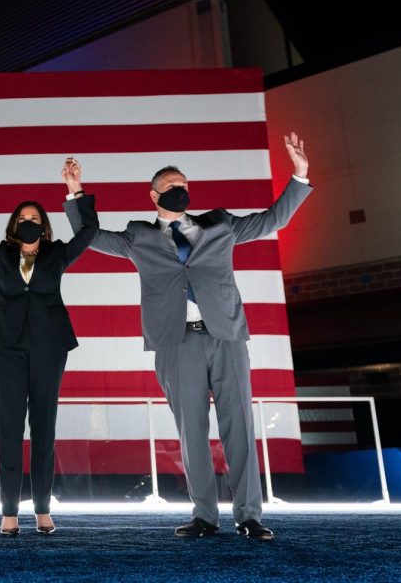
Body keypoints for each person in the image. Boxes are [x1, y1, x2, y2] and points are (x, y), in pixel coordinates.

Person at [64, 134, 311, 540]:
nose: (181, 192)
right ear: (153, 195)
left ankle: (249, 515)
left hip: (226, 337)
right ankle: (205, 516)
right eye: (173, 187)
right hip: (176, 344)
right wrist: (76, 193)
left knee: (239, 425)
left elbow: (272, 219)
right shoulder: (138, 236)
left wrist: (299, 175)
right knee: (191, 430)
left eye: (185, 187)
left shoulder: (221, 226)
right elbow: (90, 237)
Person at [0, 155, 98, 536]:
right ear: (14, 226)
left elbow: (90, 231)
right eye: (23, 219)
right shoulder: (0, 254)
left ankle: (44, 509)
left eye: (35, 219)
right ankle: (9, 511)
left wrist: (74, 189)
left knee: (44, 430)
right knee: (10, 429)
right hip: (8, 348)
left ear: (44, 226)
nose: (29, 222)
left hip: (50, 349)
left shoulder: (58, 253)